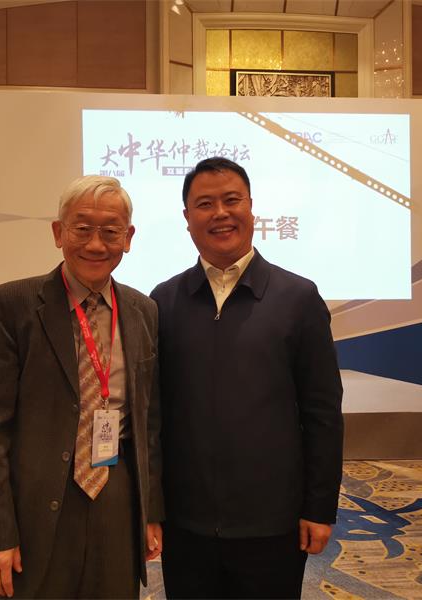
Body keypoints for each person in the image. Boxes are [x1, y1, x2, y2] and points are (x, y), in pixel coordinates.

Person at [150, 157, 343, 599]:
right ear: (187, 219)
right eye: (205, 204)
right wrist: (151, 509)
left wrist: (319, 507)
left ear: (252, 209)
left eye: (231, 200)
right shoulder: (164, 300)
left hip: (272, 523)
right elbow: (153, 416)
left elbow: (322, 413)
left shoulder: (298, 298)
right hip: (186, 524)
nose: (220, 213)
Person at [0, 175, 163, 599]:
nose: (96, 244)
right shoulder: (12, 305)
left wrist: (150, 512)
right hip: (33, 503)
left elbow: (148, 423)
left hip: (116, 495)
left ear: (128, 238)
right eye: (82, 228)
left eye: (110, 232)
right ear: (59, 233)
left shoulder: (143, 310)